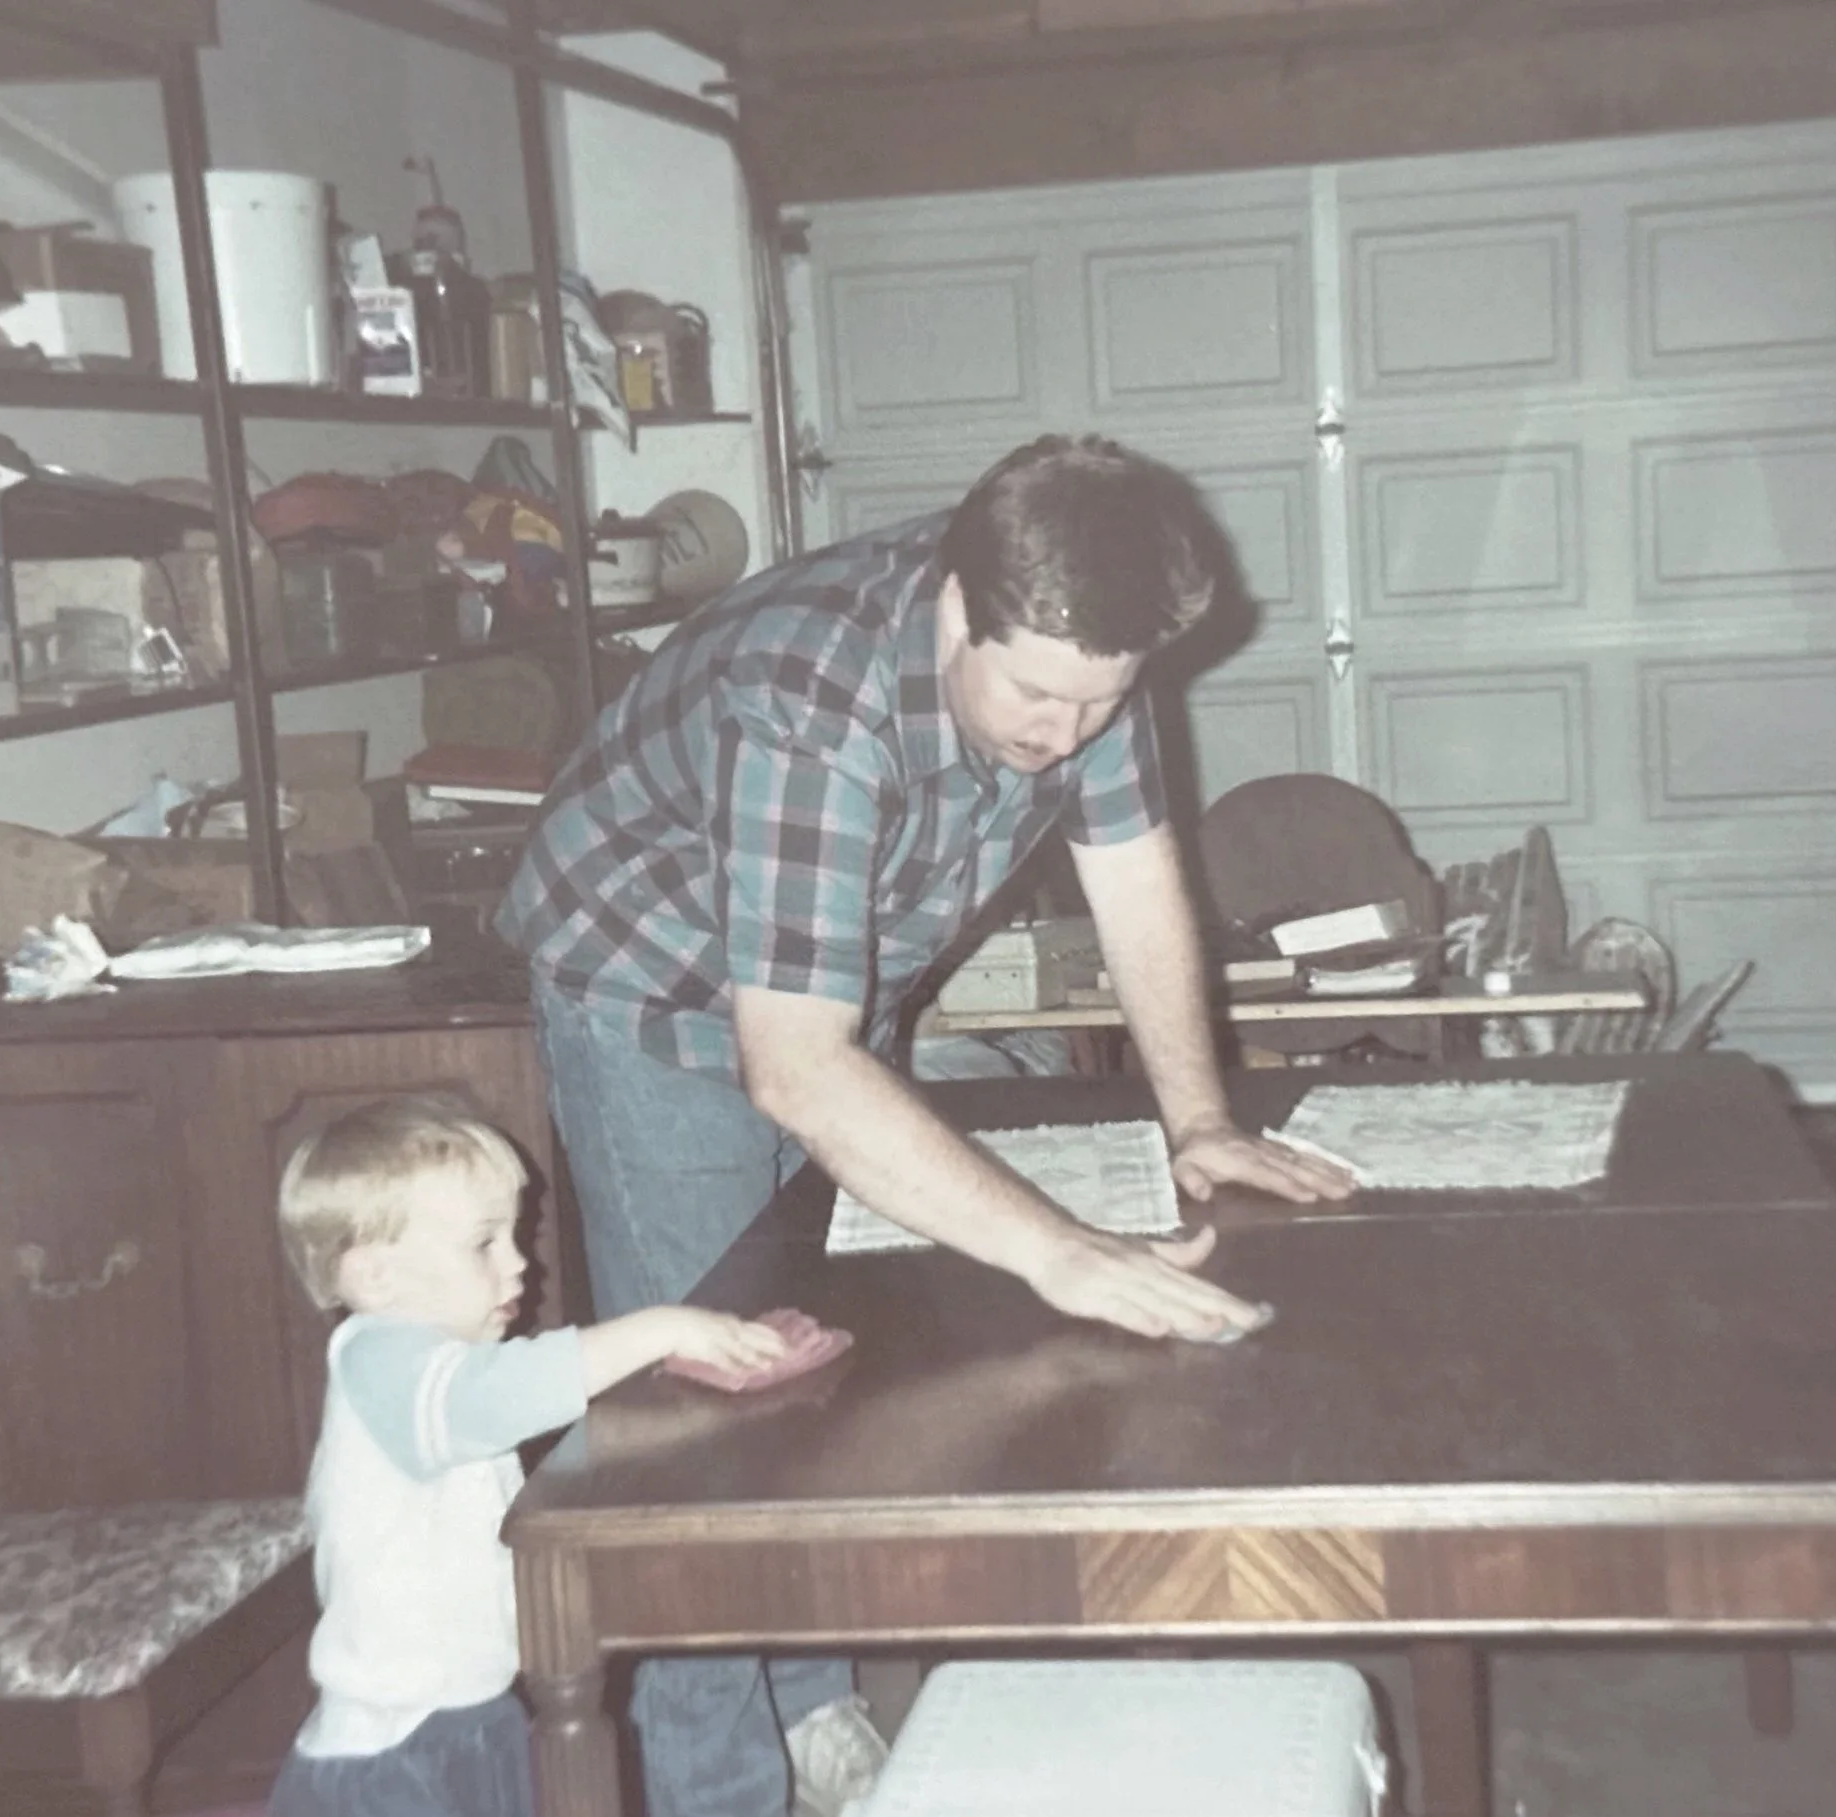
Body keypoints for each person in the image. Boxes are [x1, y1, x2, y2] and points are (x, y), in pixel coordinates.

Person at [496, 433, 1351, 1817]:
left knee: (831, 1361)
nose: (1062, 732)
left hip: (832, 974)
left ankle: (815, 1700)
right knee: (708, 1408)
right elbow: (793, 1068)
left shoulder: (1086, 648)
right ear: (961, 603)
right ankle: (727, 1786)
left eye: (1098, 702)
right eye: (1035, 694)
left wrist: (1199, 1119)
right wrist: (1058, 1249)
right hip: (648, 983)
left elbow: (1137, 889)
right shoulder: (810, 694)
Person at [267, 1095, 793, 1817]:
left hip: (468, 1711)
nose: (520, 1263)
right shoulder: (383, 1360)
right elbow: (510, 1393)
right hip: (394, 1751)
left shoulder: (438, 1366)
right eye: (484, 1243)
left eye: (515, 1234)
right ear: (375, 1277)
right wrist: (659, 1327)